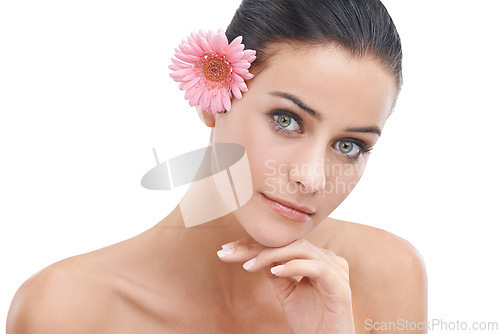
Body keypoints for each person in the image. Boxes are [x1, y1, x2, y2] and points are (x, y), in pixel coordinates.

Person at [6, 0, 427, 333]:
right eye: (287, 120)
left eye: (350, 145)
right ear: (214, 94)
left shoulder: (388, 277)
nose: (312, 177)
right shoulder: (67, 312)